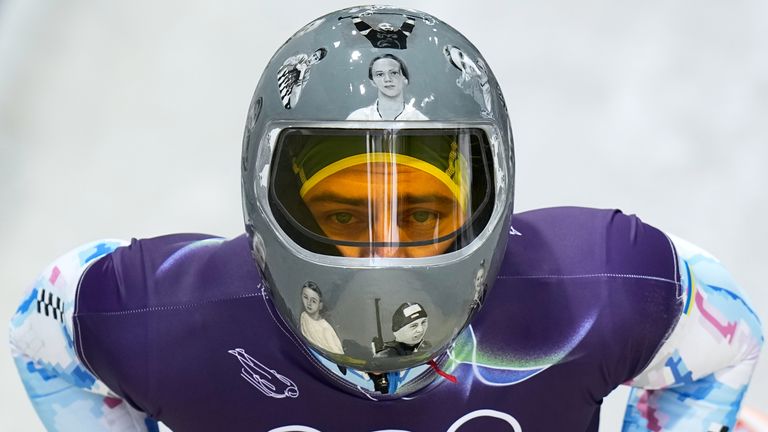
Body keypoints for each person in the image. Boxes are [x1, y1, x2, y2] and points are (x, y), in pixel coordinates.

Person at [9, 6, 763, 432]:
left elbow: (46, 324)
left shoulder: (159, 310)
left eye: (421, 211)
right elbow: (722, 340)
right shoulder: (603, 285)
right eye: (340, 214)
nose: (382, 255)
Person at [346, 53, 428, 120]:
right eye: (380, 74)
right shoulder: (357, 118)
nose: (387, 79)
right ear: (372, 82)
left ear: (405, 79)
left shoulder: (419, 120)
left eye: (394, 73)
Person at [299, 281, 344, 355]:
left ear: (320, 305)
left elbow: (338, 354)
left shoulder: (326, 330)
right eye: (305, 297)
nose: (309, 303)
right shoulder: (304, 316)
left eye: (313, 301)